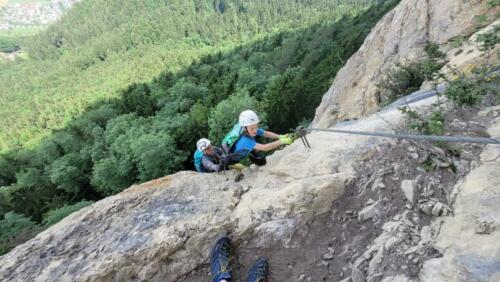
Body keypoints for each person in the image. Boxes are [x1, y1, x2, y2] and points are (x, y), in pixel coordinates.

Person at [222, 110, 293, 166]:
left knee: (262, 161)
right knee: (230, 165)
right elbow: (264, 148)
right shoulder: (244, 140)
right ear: (245, 128)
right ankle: (230, 166)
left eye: (256, 127)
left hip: (244, 149)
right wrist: (281, 141)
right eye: (252, 128)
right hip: (233, 158)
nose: (255, 130)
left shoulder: (249, 127)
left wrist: (280, 136)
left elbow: (265, 133)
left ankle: (252, 154)